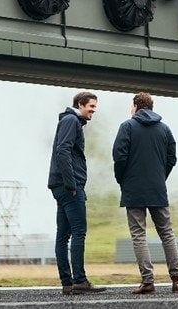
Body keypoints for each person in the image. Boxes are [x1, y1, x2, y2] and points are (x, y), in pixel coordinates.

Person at [112, 92, 178, 294]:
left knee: (138, 235)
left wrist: (122, 179)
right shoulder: (164, 128)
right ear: (151, 107)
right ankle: (177, 279)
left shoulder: (127, 126)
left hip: (133, 188)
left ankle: (148, 281)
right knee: (167, 233)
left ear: (136, 105)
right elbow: (172, 158)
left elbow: (119, 157)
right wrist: (160, 177)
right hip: (157, 188)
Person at [47, 91, 106, 295]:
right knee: (78, 232)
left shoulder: (69, 120)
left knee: (63, 235)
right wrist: (72, 185)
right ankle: (79, 280)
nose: (93, 111)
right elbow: (62, 150)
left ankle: (68, 283)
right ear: (80, 104)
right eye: (91, 106)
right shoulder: (71, 120)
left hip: (60, 185)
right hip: (68, 187)